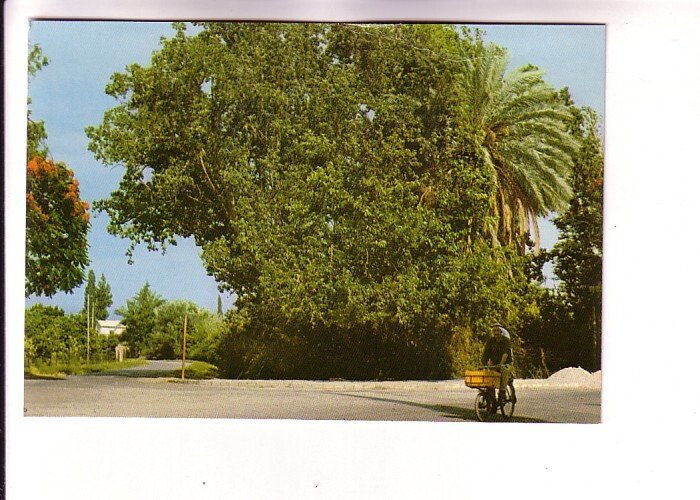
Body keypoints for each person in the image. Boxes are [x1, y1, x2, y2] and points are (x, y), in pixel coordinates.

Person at [481, 323, 517, 404]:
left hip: (506, 364)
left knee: (504, 370)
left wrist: (501, 364)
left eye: (497, 331)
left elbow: (505, 354)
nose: (496, 333)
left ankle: (502, 392)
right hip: (494, 364)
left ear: (501, 332)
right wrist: (483, 364)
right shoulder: (490, 341)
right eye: (494, 331)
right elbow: (486, 353)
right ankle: (492, 399)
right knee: (489, 378)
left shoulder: (506, 341)